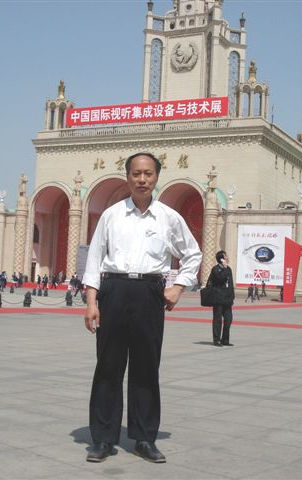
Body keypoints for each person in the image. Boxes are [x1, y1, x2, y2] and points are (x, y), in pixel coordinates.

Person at [83, 152, 201, 463]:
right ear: (127, 177)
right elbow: (95, 259)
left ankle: (145, 438)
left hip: (149, 293)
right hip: (114, 290)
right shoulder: (111, 215)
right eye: (136, 173)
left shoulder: (168, 217)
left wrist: (178, 286)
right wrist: (92, 302)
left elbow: (193, 254)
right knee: (108, 366)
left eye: (148, 174)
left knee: (146, 367)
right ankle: (103, 438)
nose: (142, 179)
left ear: (157, 177)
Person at [209, 250, 235, 346]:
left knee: (228, 319)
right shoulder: (215, 269)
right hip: (218, 298)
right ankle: (216, 340)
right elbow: (220, 279)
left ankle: (225, 339)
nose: (227, 258)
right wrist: (224, 268)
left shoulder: (229, 269)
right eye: (226, 256)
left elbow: (230, 284)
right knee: (218, 319)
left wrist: (232, 296)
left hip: (227, 299)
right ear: (221, 259)